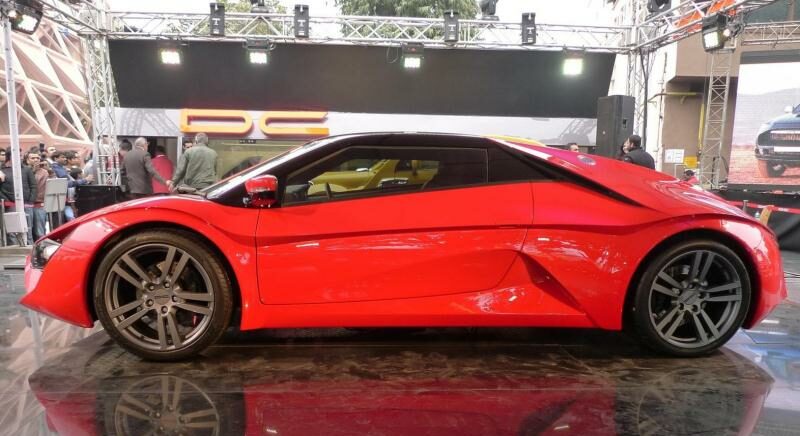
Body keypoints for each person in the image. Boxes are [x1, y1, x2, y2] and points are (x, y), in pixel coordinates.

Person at [0, 147, 37, 245]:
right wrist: (6, 201)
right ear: (10, 156)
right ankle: (14, 248)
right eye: (18, 155)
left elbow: (33, 186)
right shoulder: (1, 170)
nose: (20, 157)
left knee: (28, 229)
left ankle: (30, 249)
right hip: (9, 205)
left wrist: (30, 201)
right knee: (12, 231)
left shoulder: (26, 169)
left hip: (27, 204)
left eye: (20, 155)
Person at [26, 151, 49, 241]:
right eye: (33, 158)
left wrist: (50, 171)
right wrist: (33, 171)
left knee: (40, 231)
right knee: (29, 229)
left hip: (39, 204)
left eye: (38, 158)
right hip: (27, 203)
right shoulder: (24, 171)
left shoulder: (45, 172)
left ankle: (41, 246)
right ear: (27, 160)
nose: (36, 160)